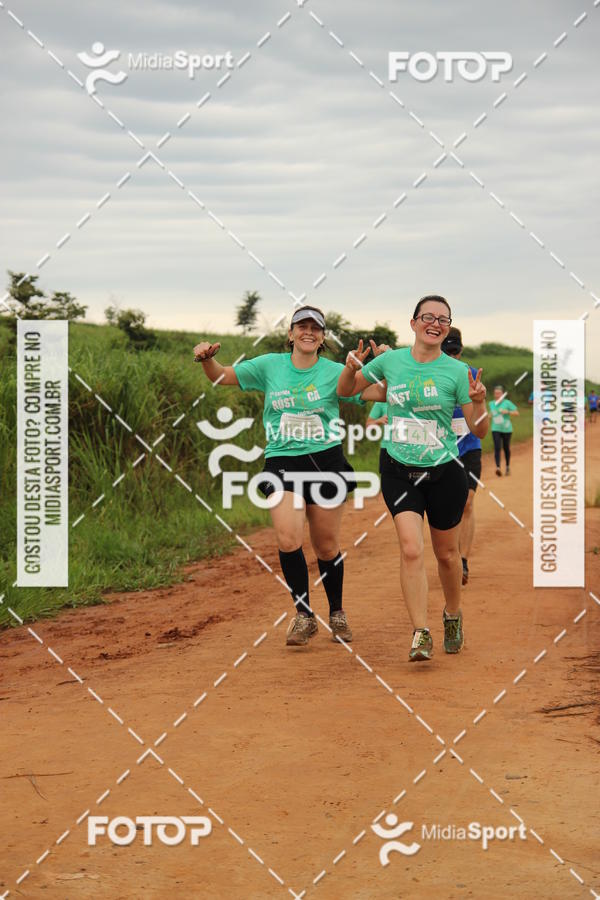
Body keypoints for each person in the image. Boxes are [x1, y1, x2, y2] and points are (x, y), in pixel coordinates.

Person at [193, 305, 383, 648]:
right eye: (302, 326)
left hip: (326, 462)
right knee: (287, 536)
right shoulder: (269, 366)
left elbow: (373, 393)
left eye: (316, 328)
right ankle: (304, 615)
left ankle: (336, 612)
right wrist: (207, 358)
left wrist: (381, 368)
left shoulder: (336, 371)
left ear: (323, 337)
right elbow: (221, 376)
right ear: (291, 334)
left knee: (325, 545)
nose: (308, 332)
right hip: (282, 462)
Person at [337, 295, 488, 662]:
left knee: (447, 555)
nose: (435, 323)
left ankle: (452, 613)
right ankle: (420, 632)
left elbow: (479, 431)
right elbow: (346, 391)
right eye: (428, 317)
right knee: (410, 548)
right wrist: (352, 367)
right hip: (398, 468)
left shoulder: (457, 371)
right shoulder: (391, 361)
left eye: (443, 319)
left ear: (447, 328)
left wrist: (480, 402)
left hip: (444, 471)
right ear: (414, 322)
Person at [441, 327, 481, 586]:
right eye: (448, 352)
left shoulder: (472, 374)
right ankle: (451, 556)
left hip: (469, 447)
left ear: (461, 350)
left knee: (467, 502)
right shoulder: (431, 374)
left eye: (455, 352)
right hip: (442, 450)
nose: (452, 357)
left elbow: (480, 413)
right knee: (448, 507)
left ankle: (463, 561)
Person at [490, 386, 519, 475]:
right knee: (497, 447)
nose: (497, 395)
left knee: (506, 448)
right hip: (495, 428)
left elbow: (517, 413)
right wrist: (489, 416)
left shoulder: (507, 403)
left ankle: (507, 467)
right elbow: (491, 414)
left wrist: (508, 412)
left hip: (507, 429)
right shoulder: (491, 403)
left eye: (499, 393)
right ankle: (498, 467)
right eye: (495, 393)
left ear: (503, 394)